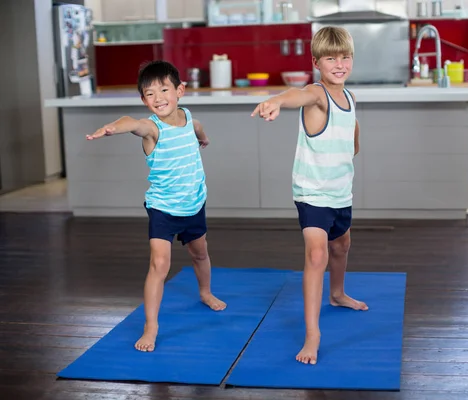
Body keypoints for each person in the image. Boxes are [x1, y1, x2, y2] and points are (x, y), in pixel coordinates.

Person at [86, 60, 226, 352]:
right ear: (143, 100)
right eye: (150, 94)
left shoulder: (187, 116)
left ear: (180, 90)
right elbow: (131, 123)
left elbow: (197, 125)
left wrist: (203, 138)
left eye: (164, 89)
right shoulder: (152, 129)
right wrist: (113, 128)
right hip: (163, 208)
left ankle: (205, 292)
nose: (159, 98)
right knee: (159, 265)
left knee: (200, 254)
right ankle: (151, 326)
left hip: (194, 203)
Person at [251, 26, 368, 365]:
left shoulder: (350, 98)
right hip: (312, 191)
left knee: (342, 245)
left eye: (345, 57)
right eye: (331, 58)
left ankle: (337, 293)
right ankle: (312, 334)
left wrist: (353, 145)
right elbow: (296, 95)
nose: (340, 64)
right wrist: (274, 101)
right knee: (317, 256)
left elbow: (351, 128)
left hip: (339, 190)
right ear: (317, 62)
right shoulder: (317, 93)